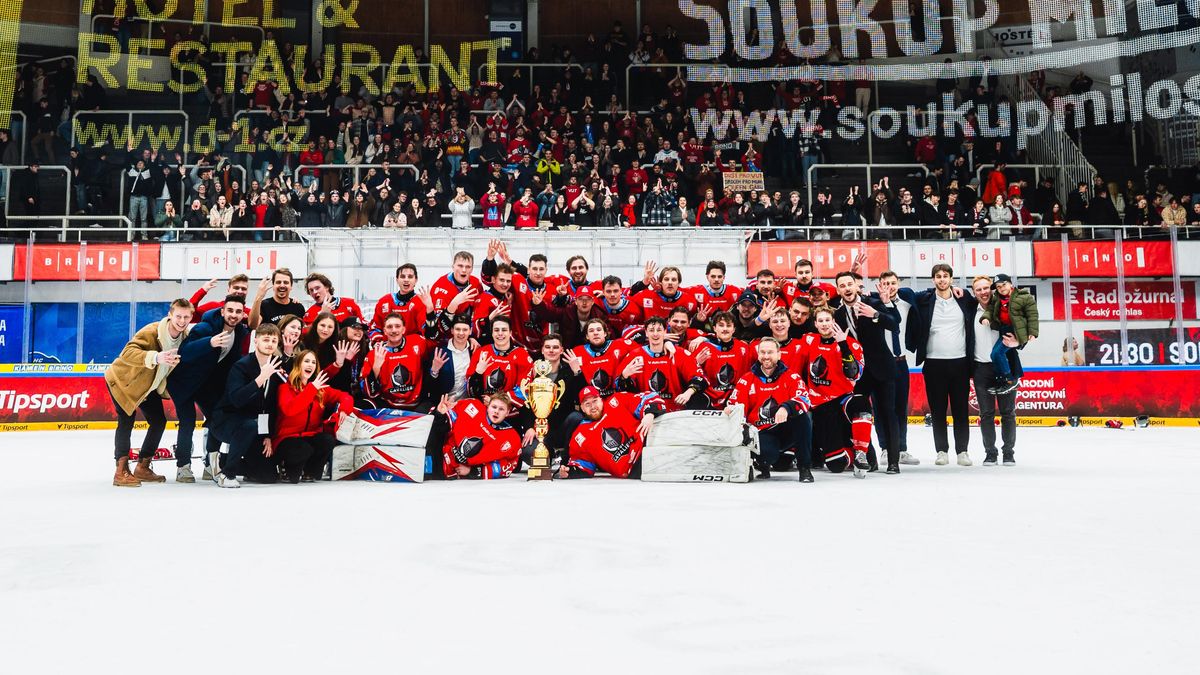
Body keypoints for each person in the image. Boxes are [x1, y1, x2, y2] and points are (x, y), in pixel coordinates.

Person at [104, 299, 193, 487]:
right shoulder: (152, 331)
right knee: (126, 419)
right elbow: (127, 352)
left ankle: (142, 467)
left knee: (159, 421)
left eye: (186, 317)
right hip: (123, 381)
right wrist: (155, 357)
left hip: (147, 386)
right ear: (170, 315)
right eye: (178, 316)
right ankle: (120, 471)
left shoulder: (185, 338)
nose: (182, 320)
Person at [168, 295, 251, 482]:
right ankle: (183, 466)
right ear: (222, 311)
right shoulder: (205, 327)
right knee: (188, 421)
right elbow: (184, 352)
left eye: (238, 312)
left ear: (242, 315)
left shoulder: (240, 333)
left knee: (217, 418)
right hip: (184, 382)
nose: (234, 315)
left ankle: (210, 464)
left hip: (207, 384)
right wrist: (209, 342)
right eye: (230, 310)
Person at [831, 270, 900, 472]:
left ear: (856, 286)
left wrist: (876, 314)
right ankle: (871, 460)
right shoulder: (837, 314)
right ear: (838, 290)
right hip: (857, 374)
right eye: (842, 286)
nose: (846, 288)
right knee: (860, 414)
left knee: (888, 414)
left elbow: (894, 323)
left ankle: (893, 462)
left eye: (849, 284)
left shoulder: (873, 303)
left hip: (882, 368)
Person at [793, 308, 873, 477]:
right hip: (820, 405)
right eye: (820, 321)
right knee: (836, 465)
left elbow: (854, 374)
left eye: (827, 320)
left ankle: (861, 452)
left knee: (862, 403)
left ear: (833, 321)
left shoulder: (851, 343)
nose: (824, 324)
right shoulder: (809, 340)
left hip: (843, 400)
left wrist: (843, 344)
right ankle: (851, 453)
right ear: (815, 324)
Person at [911, 263, 978, 467]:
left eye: (945, 276)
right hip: (933, 363)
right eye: (938, 276)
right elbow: (905, 293)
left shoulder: (963, 298)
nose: (942, 279)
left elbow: (983, 300)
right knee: (938, 411)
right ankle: (941, 451)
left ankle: (962, 451)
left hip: (960, 363)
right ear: (933, 280)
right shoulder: (925, 299)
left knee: (961, 411)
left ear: (951, 279)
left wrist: (960, 290)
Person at [207, 323, 285, 488]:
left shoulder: (276, 367)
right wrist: (261, 378)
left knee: (268, 475)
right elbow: (237, 399)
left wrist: (268, 435)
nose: (270, 344)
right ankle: (227, 474)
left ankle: (224, 460)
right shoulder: (241, 366)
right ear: (256, 341)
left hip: (252, 425)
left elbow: (270, 405)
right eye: (266, 339)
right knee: (249, 426)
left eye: (274, 340)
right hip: (225, 421)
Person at [725, 337, 813, 481]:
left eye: (770, 352)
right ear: (758, 354)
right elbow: (736, 405)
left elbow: (804, 399)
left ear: (779, 355)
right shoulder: (747, 379)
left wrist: (786, 407)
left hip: (785, 428)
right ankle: (761, 465)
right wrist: (730, 409)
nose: (766, 356)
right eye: (763, 352)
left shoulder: (791, 376)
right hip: (762, 432)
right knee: (767, 454)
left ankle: (804, 468)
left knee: (803, 417)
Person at [273, 350, 354, 483]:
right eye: (306, 361)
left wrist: (344, 410)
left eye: (313, 362)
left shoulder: (320, 389)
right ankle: (285, 467)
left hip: (309, 436)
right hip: (287, 438)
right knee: (303, 450)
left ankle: (308, 472)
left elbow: (345, 396)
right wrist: (312, 388)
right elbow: (290, 410)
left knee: (327, 440)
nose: (310, 365)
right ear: (298, 364)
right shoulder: (285, 387)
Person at [970, 276, 1022, 467]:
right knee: (986, 414)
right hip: (981, 369)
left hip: (1005, 367)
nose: (983, 292)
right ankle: (990, 453)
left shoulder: (1005, 307)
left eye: (986, 288)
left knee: (1008, 412)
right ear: (974, 293)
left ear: (992, 289)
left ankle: (1008, 452)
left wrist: (1019, 342)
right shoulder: (970, 311)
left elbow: (1023, 326)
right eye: (978, 289)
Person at [558, 387, 664, 479]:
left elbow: (650, 397)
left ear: (601, 399)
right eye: (587, 404)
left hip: (651, 446)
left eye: (595, 401)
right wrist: (569, 472)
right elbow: (584, 465)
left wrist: (650, 413)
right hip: (636, 471)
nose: (593, 406)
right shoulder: (579, 436)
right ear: (582, 408)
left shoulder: (617, 401)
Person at [434, 393, 523, 479]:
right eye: (494, 407)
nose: (496, 411)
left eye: (501, 409)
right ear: (488, 406)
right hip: (438, 452)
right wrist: (440, 415)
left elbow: (507, 467)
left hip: (453, 473)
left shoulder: (512, 439)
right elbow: (439, 428)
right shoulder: (472, 406)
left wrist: (472, 471)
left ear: (507, 413)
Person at [980, 273, 1038, 394]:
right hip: (1004, 330)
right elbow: (990, 310)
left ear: (1010, 283)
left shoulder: (1024, 297)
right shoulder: (996, 298)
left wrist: (1032, 332)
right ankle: (1003, 380)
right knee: (995, 354)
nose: (1001, 288)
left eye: (1004, 285)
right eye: (998, 287)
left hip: (1016, 331)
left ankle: (1009, 380)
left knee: (997, 353)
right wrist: (985, 318)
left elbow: (1032, 315)